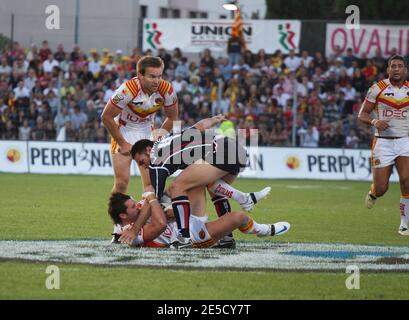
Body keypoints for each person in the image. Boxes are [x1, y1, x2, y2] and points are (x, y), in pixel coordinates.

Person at [131, 115, 271, 246]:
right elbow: (199, 126)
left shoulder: (156, 161)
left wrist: (135, 229)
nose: (143, 166)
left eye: (141, 161)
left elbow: (153, 200)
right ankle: (228, 236)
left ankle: (183, 238)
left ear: (148, 150)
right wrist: (213, 119)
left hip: (222, 150)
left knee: (177, 187)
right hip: (236, 150)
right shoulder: (168, 138)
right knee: (212, 187)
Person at [101, 55, 179, 240]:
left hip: (147, 133)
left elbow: (173, 118)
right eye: (152, 76)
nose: (156, 81)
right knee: (121, 182)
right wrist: (122, 143)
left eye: (159, 76)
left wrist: (159, 134)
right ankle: (118, 228)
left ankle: (144, 224)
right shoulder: (128, 89)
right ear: (140, 75)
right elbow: (106, 117)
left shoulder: (167, 89)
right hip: (124, 131)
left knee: (149, 185)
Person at [108, 192, 290, 249]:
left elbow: (157, 207)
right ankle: (262, 230)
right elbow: (160, 224)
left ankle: (242, 196)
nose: (137, 207)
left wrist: (167, 208)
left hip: (187, 222)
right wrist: (152, 198)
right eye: (133, 207)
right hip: (194, 237)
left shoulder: (136, 215)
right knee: (239, 216)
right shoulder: (128, 234)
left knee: (200, 177)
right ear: (123, 216)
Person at [358, 55, 409, 236]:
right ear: (388, 69)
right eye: (393, 66)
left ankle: (404, 224)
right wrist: (374, 122)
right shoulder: (377, 89)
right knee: (381, 188)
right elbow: (362, 114)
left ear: (405, 70)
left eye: (400, 66)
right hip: (383, 143)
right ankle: (373, 192)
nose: (396, 69)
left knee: (407, 180)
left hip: (405, 141)